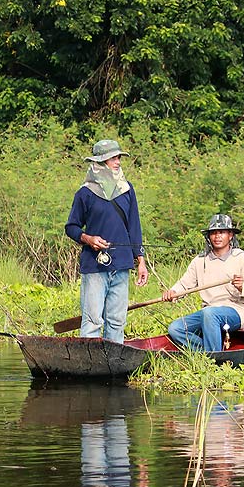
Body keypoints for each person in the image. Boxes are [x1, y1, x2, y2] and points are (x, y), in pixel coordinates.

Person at [65, 139, 148, 343]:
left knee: (117, 321)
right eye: (113, 158)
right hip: (94, 266)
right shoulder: (85, 193)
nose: (117, 161)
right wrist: (88, 239)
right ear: (100, 162)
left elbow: (134, 227)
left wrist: (141, 261)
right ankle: (90, 365)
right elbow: (71, 227)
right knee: (93, 320)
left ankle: (112, 364)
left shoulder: (127, 189)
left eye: (118, 157)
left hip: (121, 264)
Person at [161, 214, 244, 351]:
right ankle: (207, 354)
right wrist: (173, 292)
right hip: (207, 312)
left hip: (234, 312)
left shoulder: (241, 258)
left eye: (222, 232)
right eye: (213, 233)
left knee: (210, 314)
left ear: (230, 235)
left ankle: (214, 357)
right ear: (209, 236)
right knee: (175, 328)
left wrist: (242, 287)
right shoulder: (200, 260)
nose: (217, 236)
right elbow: (184, 284)